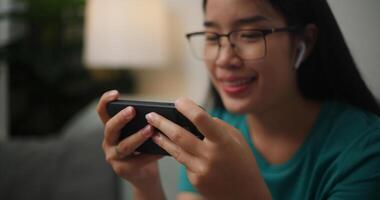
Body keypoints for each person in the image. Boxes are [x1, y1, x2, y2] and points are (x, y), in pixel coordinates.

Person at [97, 0, 380, 199]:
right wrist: (145, 183)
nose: (223, 59)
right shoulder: (212, 135)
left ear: (303, 41)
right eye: (211, 36)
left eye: (248, 34)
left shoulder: (367, 151)